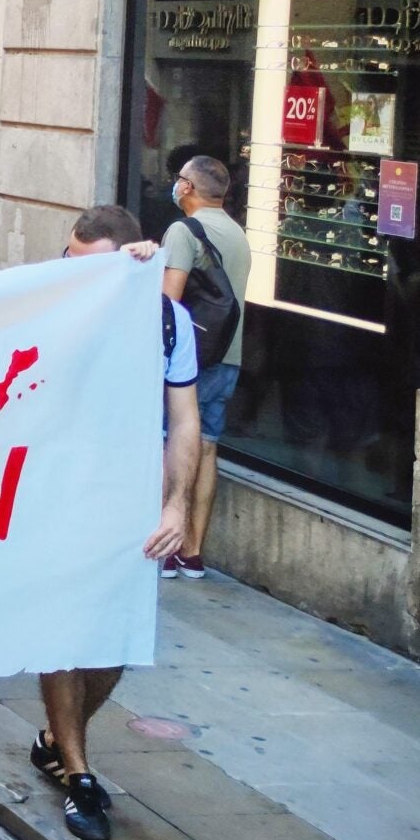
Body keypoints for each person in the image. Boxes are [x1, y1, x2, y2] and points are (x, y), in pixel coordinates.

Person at [31, 204, 195, 840]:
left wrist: (176, 504)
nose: (73, 273)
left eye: (88, 265)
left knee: (115, 642)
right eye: (69, 260)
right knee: (62, 634)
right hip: (55, 492)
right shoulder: (53, 308)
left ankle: (53, 741)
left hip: (128, 500)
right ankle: (78, 774)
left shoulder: (168, 322)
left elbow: (184, 421)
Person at [159, 154, 248, 579]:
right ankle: (193, 553)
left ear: (189, 187)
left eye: (179, 180)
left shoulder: (183, 230)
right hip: (228, 355)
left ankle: (162, 547)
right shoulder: (236, 232)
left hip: (189, 359)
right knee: (207, 446)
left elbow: (168, 301)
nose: (175, 187)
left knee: (171, 441)